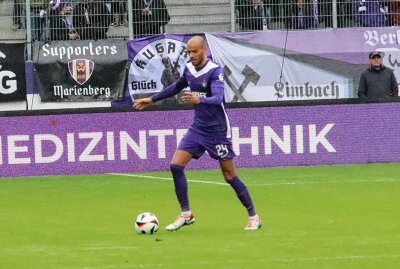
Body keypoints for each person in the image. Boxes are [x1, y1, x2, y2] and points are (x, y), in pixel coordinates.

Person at [133, 36, 262, 231]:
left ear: (205, 50)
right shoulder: (189, 69)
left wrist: (199, 100)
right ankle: (186, 214)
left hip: (218, 130)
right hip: (198, 128)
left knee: (229, 175)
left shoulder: (214, 71)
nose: (191, 55)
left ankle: (254, 216)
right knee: (175, 166)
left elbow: (218, 98)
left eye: (195, 52)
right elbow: (176, 86)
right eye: (188, 52)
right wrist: (151, 99)